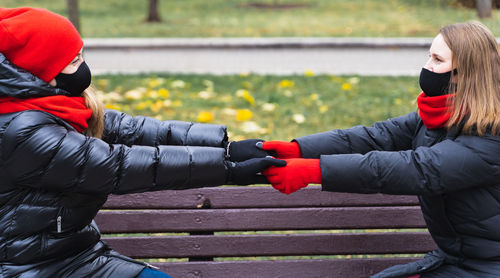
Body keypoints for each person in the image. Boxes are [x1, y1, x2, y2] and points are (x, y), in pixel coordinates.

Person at [0, 7, 284, 278]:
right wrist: (227, 169)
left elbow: (131, 130)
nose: (83, 67)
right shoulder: (21, 131)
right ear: (38, 71)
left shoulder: (53, 107)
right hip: (25, 269)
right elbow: (118, 165)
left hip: (75, 256)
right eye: (73, 61)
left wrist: (227, 147)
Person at [233, 21, 500, 277]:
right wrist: (295, 149)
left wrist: (314, 171)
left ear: (464, 74)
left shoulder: (492, 136)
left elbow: (420, 168)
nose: (427, 67)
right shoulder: (436, 118)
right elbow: (374, 137)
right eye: (429, 56)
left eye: (438, 60)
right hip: (458, 262)